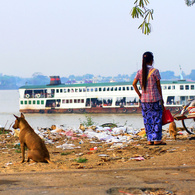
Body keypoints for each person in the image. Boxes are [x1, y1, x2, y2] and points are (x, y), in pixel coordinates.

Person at [133, 51, 166, 145]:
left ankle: (149, 140)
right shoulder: (155, 71)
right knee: (157, 119)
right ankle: (157, 140)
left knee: (148, 119)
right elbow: (158, 86)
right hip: (155, 98)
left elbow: (134, 84)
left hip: (144, 100)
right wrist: (162, 98)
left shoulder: (139, 71)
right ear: (152, 60)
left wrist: (140, 94)